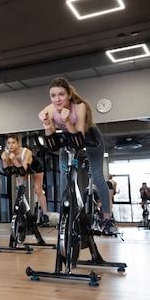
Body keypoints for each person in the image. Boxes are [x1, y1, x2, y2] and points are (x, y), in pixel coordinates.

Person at [38, 77, 117, 236]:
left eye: (61, 94)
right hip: (68, 136)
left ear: (68, 94)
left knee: (97, 175)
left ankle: (108, 219)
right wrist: (47, 124)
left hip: (88, 136)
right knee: (63, 175)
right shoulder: (51, 110)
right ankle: (65, 217)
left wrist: (66, 121)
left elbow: (79, 136)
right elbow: (52, 139)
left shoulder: (79, 107)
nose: (57, 99)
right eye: (53, 96)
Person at [1, 134, 50, 225]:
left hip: (34, 167)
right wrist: (4, 161)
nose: (11, 145)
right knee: (20, 190)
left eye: (13, 142)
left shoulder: (26, 152)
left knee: (38, 190)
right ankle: (23, 214)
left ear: (18, 143)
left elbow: (23, 170)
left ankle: (45, 214)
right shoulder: (5, 153)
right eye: (8, 143)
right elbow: (7, 171)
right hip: (20, 168)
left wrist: (15, 160)